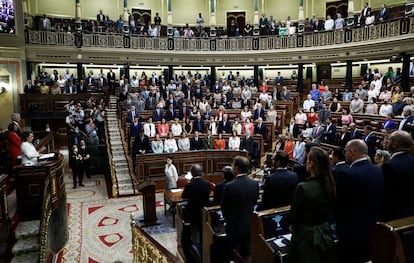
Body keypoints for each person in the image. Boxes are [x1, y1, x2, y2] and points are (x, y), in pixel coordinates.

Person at [337, 139, 384, 263]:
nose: (345, 154)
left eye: (345, 151)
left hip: (352, 232)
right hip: (375, 227)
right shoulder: (379, 170)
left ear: (352, 152)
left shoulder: (346, 174)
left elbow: (340, 206)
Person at [288, 147, 337, 263]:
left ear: (311, 164)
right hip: (325, 232)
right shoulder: (330, 184)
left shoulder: (303, 187)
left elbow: (293, 217)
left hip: (306, 236)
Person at [221, 155, 259, 261]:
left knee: (234, 254)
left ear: (236, 168)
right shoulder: (254, 184)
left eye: (233, 165)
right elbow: (254, 201)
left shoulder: (229, 186)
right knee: (246, 253)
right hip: (249, 225)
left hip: (234, 227)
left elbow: (224, 207)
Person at [382, 130, 414, 221]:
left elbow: (386, 196)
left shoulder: (389, 166)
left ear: (395, 144)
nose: (387, 142)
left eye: (389, 140)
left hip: (395, 216)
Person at [182, 164, 210, 247]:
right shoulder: (207, 183)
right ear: (201, 173)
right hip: (204, 212)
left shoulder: (189, 185)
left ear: (192, 174)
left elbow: (184, 196)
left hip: (192, 214)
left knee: (194, 234)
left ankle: (196, 250)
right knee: (203, 232)